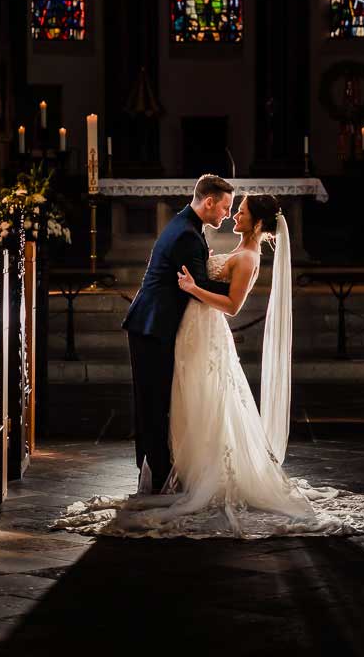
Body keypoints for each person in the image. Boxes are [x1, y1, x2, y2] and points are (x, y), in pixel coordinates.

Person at [51, 188, 364, 539]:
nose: (235, 216)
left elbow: (232, 306)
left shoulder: (248, 257)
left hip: (206, 331)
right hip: (195, 330)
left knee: (207, 399)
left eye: (242, 212)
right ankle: (186, 471)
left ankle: (202, 474)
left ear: (257, 221)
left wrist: (192, 288)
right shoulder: (233, 246)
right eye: (233, 208)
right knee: (192, 399)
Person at [120, 173, 234, 492]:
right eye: (224, 207)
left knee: (154, 400)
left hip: (152, 323)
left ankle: (153, 472)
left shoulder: (186, 225)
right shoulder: (187, 234)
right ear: (208, 202)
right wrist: (239, 282)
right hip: (152, 325)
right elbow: (198, 288)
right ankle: (157, 475)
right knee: (154, 402)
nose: (226, 214)